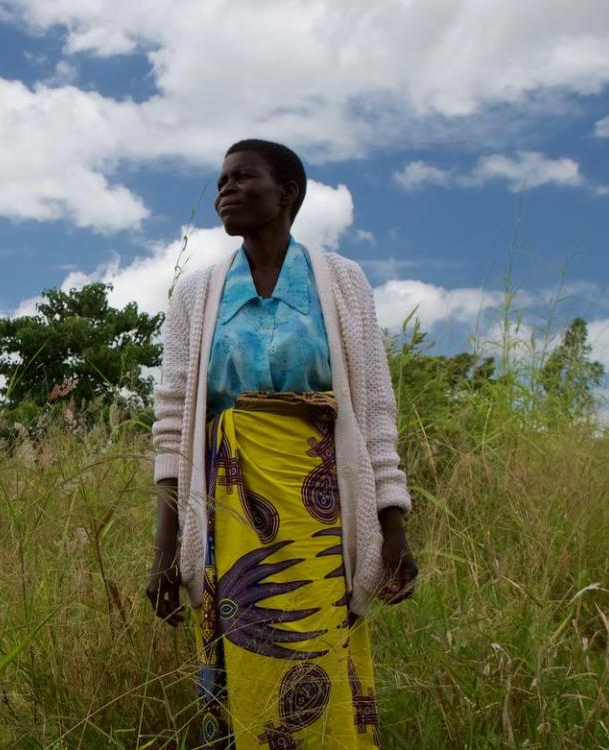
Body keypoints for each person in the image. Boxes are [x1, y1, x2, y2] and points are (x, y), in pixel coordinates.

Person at [146, 139, 417, 748]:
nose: (226, 191)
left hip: (322, 517)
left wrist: (393, 527)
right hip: (226, 514)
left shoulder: (343, 283)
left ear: (287, 192)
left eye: (243, 178)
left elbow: (374, 411)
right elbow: (171, 428)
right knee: (237, 651)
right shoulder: (196, 294)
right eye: (221, 182)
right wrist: (165, 551)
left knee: (317, 649)